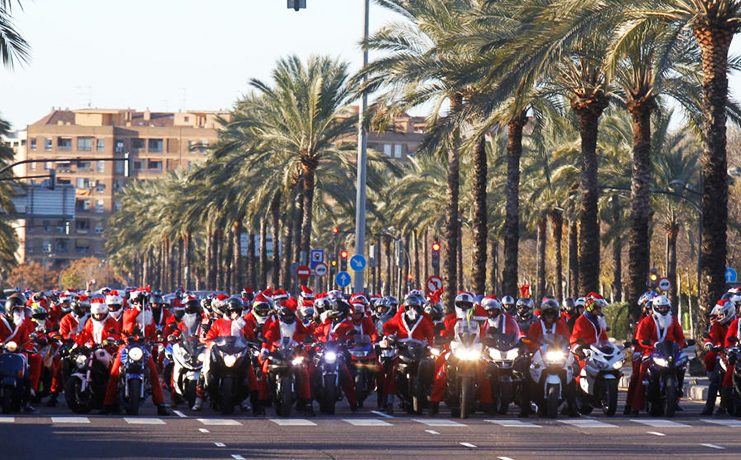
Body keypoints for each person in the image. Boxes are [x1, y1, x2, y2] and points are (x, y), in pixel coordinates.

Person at [102, 289, 170, 416]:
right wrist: (138, 308)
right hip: (126, 346)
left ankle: (160, 404)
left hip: (143, 347)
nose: (140, 303)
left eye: (143, 300)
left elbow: (152, 330)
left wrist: (156, 339)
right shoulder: (127, 311)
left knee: (154, 374)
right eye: (137, 300)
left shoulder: (148, 314)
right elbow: (128, 320)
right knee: (114, 373)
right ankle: (107, 404)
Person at [197, 297, 260, 413]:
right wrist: (209, 341)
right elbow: (210, 336)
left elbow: (250, 335)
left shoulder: (243, 322)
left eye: (237, 311)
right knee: (205, 368)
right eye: (232, 311)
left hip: (239, 353)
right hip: (222, 353)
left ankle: (256, 403)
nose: (235, 313)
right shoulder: (218, 323)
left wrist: (241, 324)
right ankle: (199, 396)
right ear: (227, 311)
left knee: (250, 373)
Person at [632, 295, 686, 414]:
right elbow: (641, 338)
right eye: (660, 308)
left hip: (670, 351)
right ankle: (637, 404)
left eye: (665, 308)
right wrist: (652, 343)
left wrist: (680, 345)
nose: (663, 310)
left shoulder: (673, 320)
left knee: (682, 366)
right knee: (643, 371)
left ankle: (677, 394)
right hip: (651, 351)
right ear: (655, 308)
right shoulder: (647, 321)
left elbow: (680, 337)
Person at [382, 295, 435, 414]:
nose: (412, 310)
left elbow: (430, 333)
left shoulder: (423, 320)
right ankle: (389, 401)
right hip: (402, 350)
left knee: (430, 368)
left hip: (418, 351)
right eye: (409, 307)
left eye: (414, 307)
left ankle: (429, 396)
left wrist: (430, 345)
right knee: (392, 372)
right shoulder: (399, 318)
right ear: (405, 308)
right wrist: (389, 337)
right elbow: (387, 326)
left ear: (419, 309)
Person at [522, 298, 573, 417]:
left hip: (557, 355)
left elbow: (567, 338)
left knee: (571, 376)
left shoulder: (561, 325)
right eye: (547, 313)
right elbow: (530, 340)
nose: (550, 316)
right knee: (526, 376)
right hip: (540, 356)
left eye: (552, 314)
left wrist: (567, 346)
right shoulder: (536, 325)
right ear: (543, 314)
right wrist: (531, 348)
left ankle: (572, 407)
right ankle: (524, 408)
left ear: (556, 315)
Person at [261, 307, 314, 415]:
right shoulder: (275, 324)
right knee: (264, 369)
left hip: (295, 352)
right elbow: (268, 335)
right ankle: (262, 399)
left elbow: (309, 332)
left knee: (304, 372)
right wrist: (265, 349)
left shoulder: (298, 323)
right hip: (278, 352)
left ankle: (306, 401)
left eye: (290, 316)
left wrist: (306, 322)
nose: (289, 319)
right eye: (286, 317)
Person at [314, 299, 359, 410]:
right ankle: (307, 403)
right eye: (333, 310)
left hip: (339, 352)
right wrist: (313, 338)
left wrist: (348, 341)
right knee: (311, 371)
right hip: (324, 350)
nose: (334, 313)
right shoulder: (327, 322)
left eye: (336, 310)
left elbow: (351, 337)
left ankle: (353, 403)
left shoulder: (348, 324)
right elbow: (317, 332)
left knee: (346, 376)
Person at [0, 295, 42, 411]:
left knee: (26, 374)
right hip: (1, 351)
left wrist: (26, 347)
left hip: (18, 352)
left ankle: (27, 400)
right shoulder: (0, 321)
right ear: (10, 309)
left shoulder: (22, 324)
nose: (20, 311)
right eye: (17, 309)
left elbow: (26, 339)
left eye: (21, 309)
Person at [624, 290, 657, 415]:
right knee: (637, 376)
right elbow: (638, 337)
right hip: (641, 350)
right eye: (646, 305)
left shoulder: (664, 318)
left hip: (658, 350)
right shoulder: (643, 320)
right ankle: (632, 404)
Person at [701, 299, 735, 415]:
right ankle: (709, 407)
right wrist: (709, 344)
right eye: (718, 314)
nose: (719, 317)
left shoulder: (736, 323)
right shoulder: (716, 325)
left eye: (721, 314)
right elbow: (711, 336)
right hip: (722, 354)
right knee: (715, 379)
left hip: (736, 353)